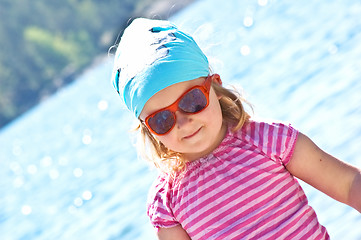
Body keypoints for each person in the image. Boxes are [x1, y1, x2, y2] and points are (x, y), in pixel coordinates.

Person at [111, 18, 361, 240]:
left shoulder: (267, 140)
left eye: (192, 101)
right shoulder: (167, 203)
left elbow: (349, 186)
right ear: (148, 130)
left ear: (215, 88)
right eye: (162, 119)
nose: (184, 122)